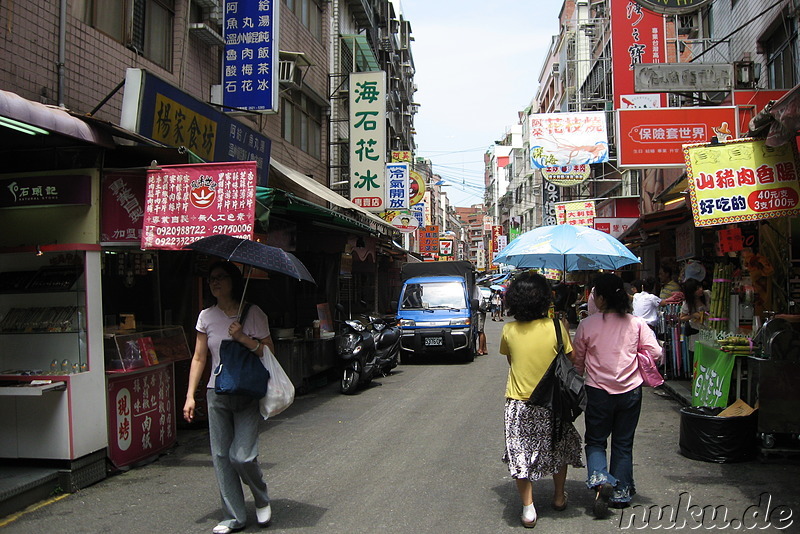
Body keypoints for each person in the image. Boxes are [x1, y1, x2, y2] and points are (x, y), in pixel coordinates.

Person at [183, 261, 275, 534]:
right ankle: (233, 516)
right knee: (221, 456)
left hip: (246, 391)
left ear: (234, 281)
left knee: (243, 456)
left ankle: (260, 496)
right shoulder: (206, 316)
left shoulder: (253, 313)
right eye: (212, 278)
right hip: (216, 392)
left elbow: (269, 352)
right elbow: (199, 357)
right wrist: (190, 395)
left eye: (222, 277)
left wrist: (244, 338)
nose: (216, 282)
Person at [571, 273, 662, 517]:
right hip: (630, 391)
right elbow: (656, 352)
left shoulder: (587, 324)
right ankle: (621, 493)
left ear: (599, 298)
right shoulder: (636, 323)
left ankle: (601, 481)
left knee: (596, 440)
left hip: (597, 391)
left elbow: (577, 363)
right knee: (623, 442)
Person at [499, 271, 583, 528]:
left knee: (520, 454)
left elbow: (512, 361)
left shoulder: (509, 330)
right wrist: (565, 333)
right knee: (557, 447)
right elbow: (571, 361)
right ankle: (558, 497)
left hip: (519, 403)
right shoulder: (557, 327)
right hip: (552, 402)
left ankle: (528, 509)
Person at [679, 278, 711, 358]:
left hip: (709, 331)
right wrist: (693, 315)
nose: (701, 290)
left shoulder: (707, 294)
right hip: (696, 331)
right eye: (697, 289)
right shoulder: (687, 303)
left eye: (700, 287)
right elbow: (681, 318)